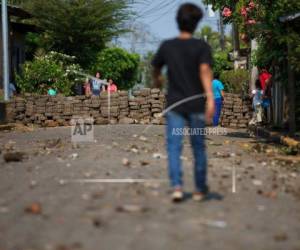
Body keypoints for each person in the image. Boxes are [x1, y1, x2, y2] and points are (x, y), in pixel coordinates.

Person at [152, 3, 214, 202]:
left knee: (173, 147)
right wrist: (210, 99)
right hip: (196, 105)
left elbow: (155, 69)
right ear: (196, 24)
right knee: (198, 147)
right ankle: (199, 189)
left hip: (175, 106)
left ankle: (177, 186)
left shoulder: (167, 46)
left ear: (177, 22)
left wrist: (158, 80)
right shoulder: (202, 47)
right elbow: (205, 72)